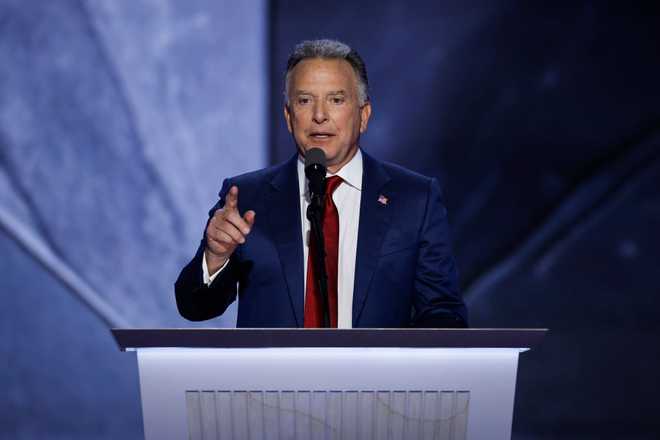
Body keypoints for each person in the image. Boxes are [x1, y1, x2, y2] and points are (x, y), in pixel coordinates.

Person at [175, 39, 467, 328]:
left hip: (377, 376)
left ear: (363, 115)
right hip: (274, 377)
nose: (319, 116)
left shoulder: (415, 199)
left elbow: (442, 312)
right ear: (289, 117)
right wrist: (215, 257)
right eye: (304, 101)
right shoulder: (246, 198)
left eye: (336, 100)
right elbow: (194, 307)